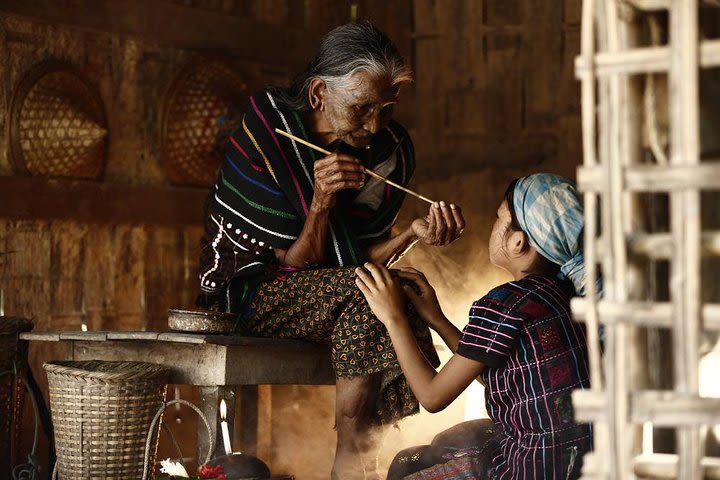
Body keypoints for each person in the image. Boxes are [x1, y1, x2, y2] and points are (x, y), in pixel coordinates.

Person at [196, 22, 465, 479]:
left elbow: (355, 262)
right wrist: (320, 204)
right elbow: (295, 266)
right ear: (319, 93)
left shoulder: (388, 151)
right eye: (361, 108)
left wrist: (414, 233)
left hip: (335, 293)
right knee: (374, 293)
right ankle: (354, 457)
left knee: (384, 291)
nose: (375, 124)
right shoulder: (270, 129)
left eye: (384, 108)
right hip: (249, 293)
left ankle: (353, 452)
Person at [356, 173, 594, 479]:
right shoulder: (564, 296)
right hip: (576, 463)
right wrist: (437, 319)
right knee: (446, 442)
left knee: (406, 466)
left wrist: (393, 317)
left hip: (527, 469)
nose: (493, 225)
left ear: (518, 241)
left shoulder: (504, 302)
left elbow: (432, 397)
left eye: (499, 218)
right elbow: (500, 376)